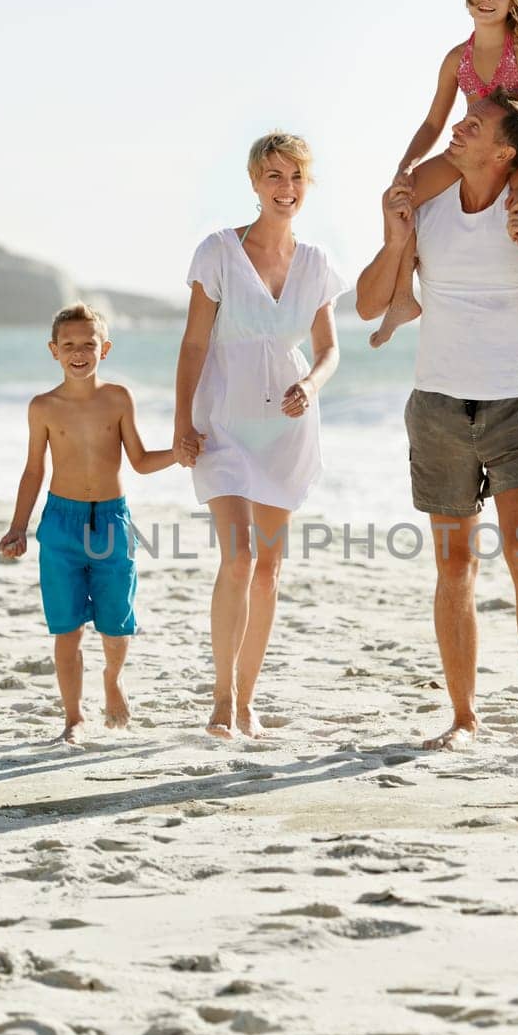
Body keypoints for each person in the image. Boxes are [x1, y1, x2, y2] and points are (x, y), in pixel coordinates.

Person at [356, 89, 518, 757]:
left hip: (515, 408)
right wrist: (394, 239)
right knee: (454, 568)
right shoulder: (430, 204)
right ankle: (463, 718)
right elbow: (366, 303)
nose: (456, 126)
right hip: (438, 408)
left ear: (502, 153)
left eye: (474, 124)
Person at [174, 132, 345, 740]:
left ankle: (247, 700)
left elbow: (327, 352)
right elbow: (195, 343)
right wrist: (181, 424)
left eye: (295, 177)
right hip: (222, 420)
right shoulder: (218, 252)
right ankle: (221, 700)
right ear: (253, 183)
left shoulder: (318, 263)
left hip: (286, 426)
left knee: (269, 568)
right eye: (273, 176)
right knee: (239, 557)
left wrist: (313, 386)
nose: (285, 189)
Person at [371, 0, 518, 372]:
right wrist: (405, 165)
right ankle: (404, 298)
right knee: (399, 196)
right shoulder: (455, 59)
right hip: (467, 151)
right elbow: (432, 123)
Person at [0, 302, 175, 744]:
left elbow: (139, 460)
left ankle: (112, 679)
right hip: (61, 523)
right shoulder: (42, 407)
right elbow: (34, 471)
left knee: (117, 621)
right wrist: (18, 526)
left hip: (112, 521)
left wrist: (180, 454)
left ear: (105, 349)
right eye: (69, 345)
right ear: (53, 350)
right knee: (67, 625)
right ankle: (73, 716)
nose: (79, 352)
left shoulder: (118, 398)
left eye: (88, 344)